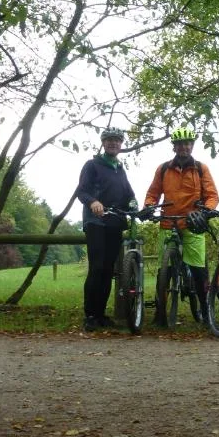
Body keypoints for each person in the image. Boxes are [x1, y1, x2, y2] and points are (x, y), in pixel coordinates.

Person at [144, 126, 219, 323]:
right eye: (179, 144)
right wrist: (149, 206)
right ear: (174, 147)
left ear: (192, 145)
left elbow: (212, 196)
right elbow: (153, 193)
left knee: (198, 269)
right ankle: (160, 313)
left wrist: (205, 211)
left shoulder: (201, 168)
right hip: (168, 223)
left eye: (187, 143)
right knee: (165, 270)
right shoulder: (163, 169)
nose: (183, 147)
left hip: (193, 223)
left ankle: (205, 310)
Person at [76, 127, 138, 332]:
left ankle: (101, 314)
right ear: (103, 143)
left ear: (121, 145)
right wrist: (93, 202)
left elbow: (129, 194)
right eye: (109, 140)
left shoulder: (120, 169)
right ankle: (90, 315)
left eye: (117, 140)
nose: (113, 143)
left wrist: (134, 203)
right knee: (97, 267)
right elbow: (82, 191)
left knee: (108, 270)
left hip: (114, 223)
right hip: (96, 222)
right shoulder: (92, 165)